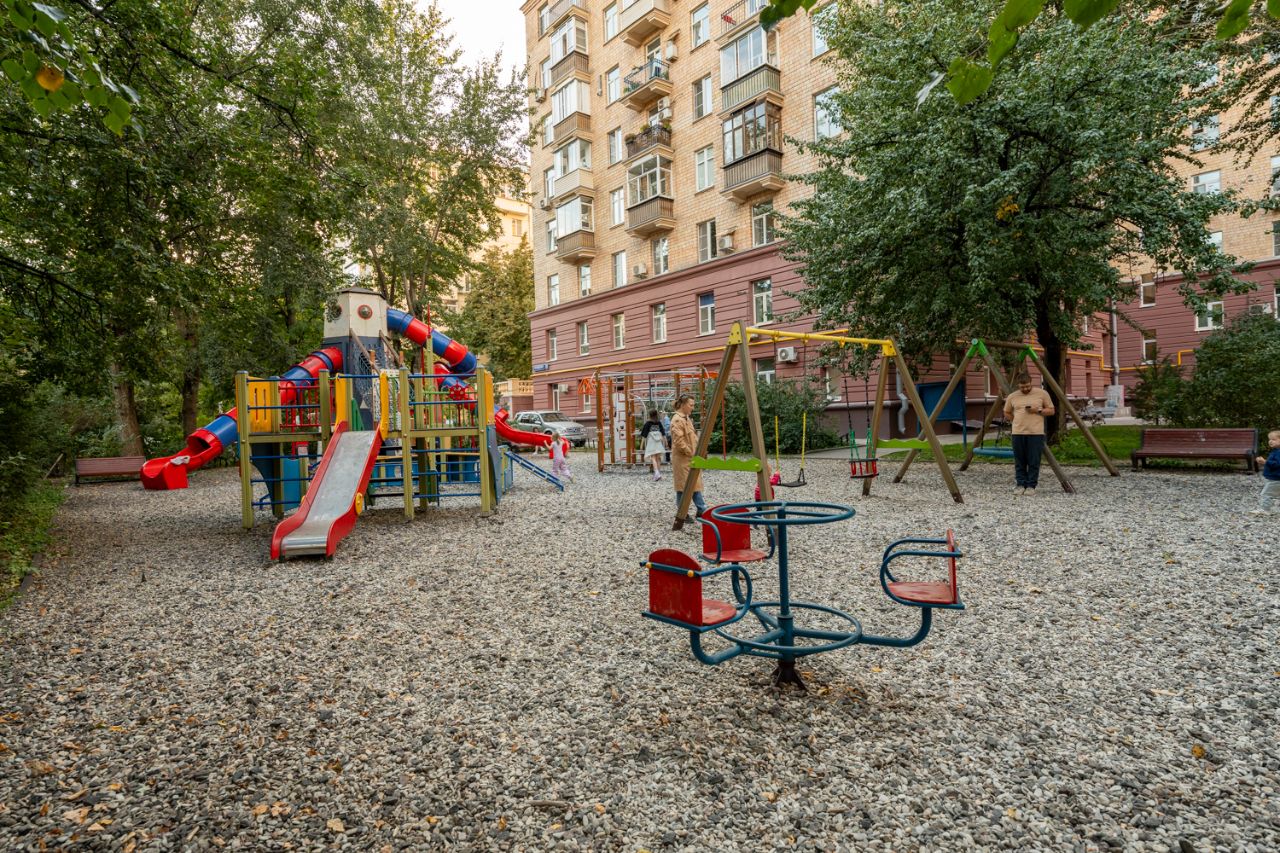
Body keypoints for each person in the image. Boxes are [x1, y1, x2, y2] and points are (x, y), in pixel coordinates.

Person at [1002, 372, 1055, 494]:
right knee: (1019, 461)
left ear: (1031, 383)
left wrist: (1038, 410)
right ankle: (1020, 484)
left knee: (1034, 461)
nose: (1025, 389)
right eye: (1022, 387)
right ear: (1018, 385)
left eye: (1027, 386)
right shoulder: (1012, 396)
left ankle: (1031, 486)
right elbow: (1006, 412)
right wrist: (1015, 420)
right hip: (1017, 433)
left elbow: (1051, 411)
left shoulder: (1042, 394)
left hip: (1036, 433)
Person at [670, 393, 708, 518]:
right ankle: (684, 511)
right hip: (683, 459)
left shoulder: (686, 418)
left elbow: (693, 437)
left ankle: (700, 508)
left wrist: (700, 451)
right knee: (684, 486)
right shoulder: (677, 420)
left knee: (693, 482)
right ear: (683, 405)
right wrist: (690, 452)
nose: (693, 407)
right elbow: (679, 442)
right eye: (691, 405)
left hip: (690, 457)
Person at [1252, 429, 1280, 515]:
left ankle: (1265, 509)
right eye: (1269, 439)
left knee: (1267, 493)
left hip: (1276, 478)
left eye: (1274, 439)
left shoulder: (1278, 452)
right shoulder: (1276, 451)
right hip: (1276, 477)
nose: (1270, 441)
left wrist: (1265, 462)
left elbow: (1277, 464)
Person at [639, 409, 668, 481]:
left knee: (653, 457)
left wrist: (641, 446)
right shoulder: (659, 423)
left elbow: (644, 435)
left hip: (651, 442)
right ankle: (658, 474)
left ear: (650, 415)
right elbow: (663, 433)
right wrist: (666, 443)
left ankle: (657, 473)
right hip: (658, 442)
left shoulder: (648, 423)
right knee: (658, 458)